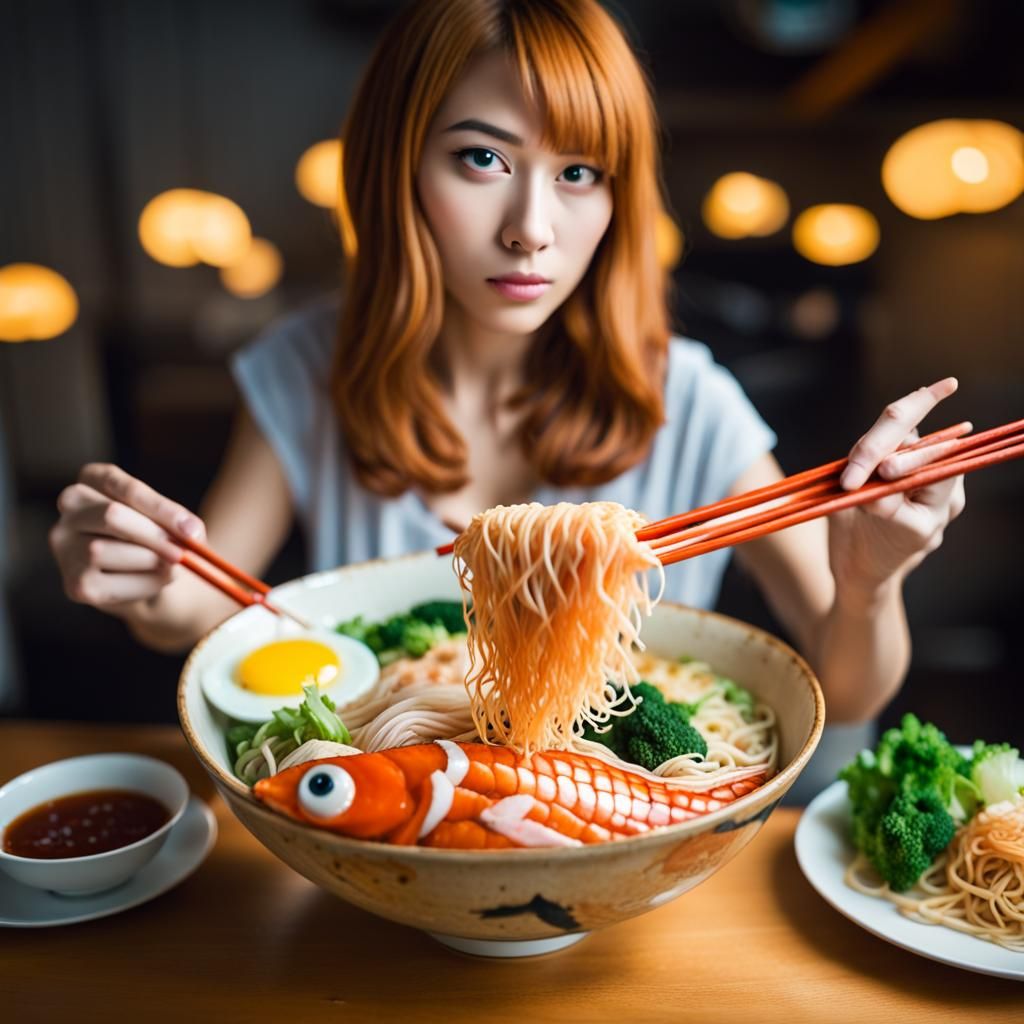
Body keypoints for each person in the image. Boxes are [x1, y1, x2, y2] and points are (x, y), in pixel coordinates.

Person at [49, 0, 964, 795]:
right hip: (392, 832)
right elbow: (213, 610)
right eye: (483, 159)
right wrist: (150, 583)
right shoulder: (305, 370)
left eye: (578, 174)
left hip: (644, 843)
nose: (533, 230)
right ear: (396, 166)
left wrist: (869, 581)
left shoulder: (688, 398)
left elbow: (847, 693)